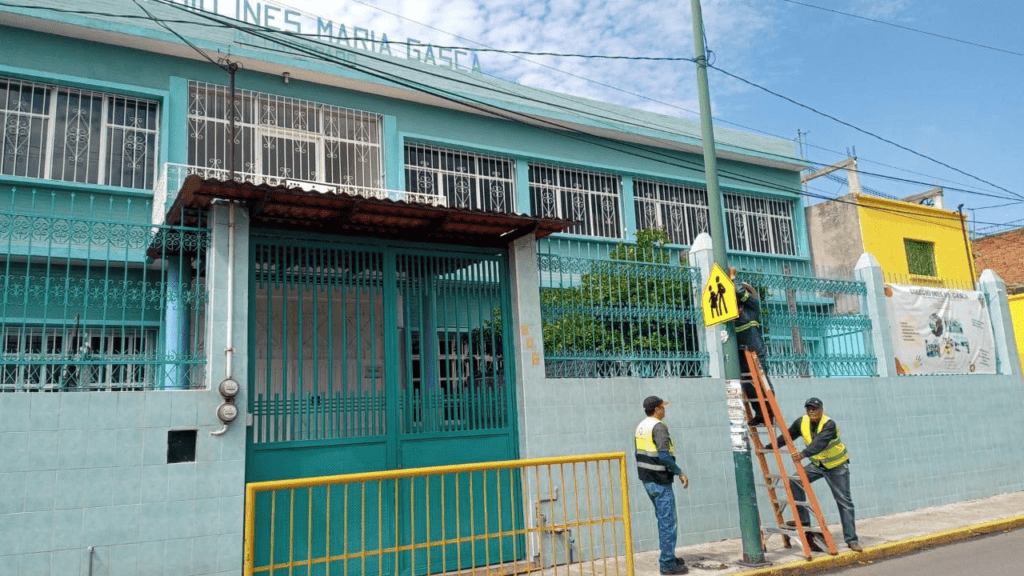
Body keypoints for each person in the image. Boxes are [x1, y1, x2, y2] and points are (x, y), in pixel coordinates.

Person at [777, 397, 863, 553]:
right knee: (795, 480)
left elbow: (820, 443)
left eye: (815, 408)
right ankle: (803, 520)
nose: (811, 411)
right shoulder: (801, 422)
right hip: (818, 465)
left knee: (844, 502)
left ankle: (852, 540)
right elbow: (788, 436)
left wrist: (803, 454)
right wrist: (770, 446)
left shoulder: (829, 424)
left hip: (837, 467)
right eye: (809, 408)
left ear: (821, 409)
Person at [635, 396, 690, 575]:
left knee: (663, 520)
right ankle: (667, 564)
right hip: (659, 480)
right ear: (657, 409)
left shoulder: (642, 426)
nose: (664, 410)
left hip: (648, 479)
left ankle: (669, 555)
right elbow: (664, 456)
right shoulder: (659, 427)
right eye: (663, 407)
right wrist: (679, 472)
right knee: (668, 522)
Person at [729, 266, 771, 426]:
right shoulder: (734, 312)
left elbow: (740, 292)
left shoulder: (752, 304)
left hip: (754, 349)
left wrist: (733, 278)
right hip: (741, 351)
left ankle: (769, 413)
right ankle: (759, 414)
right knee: (747, 384)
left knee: (761, 381)